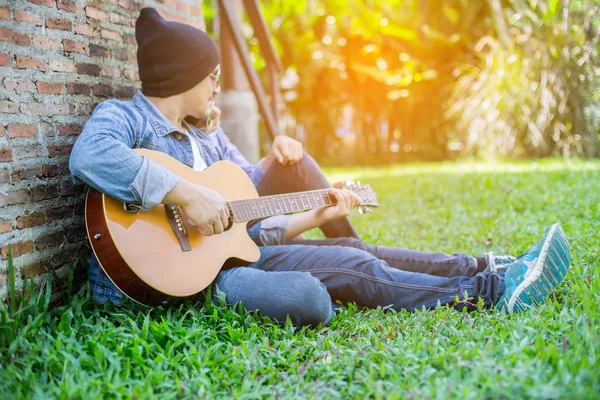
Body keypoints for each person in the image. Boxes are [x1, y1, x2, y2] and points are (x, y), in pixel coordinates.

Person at [69, 8, 571, 326]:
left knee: (350, 249)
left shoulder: (206, 132)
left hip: (228, 260)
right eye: (212, 77)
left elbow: (249, 233)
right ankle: (493, 291)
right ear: (185, 79)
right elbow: (89, 156)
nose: (217, 87)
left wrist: (317, 211)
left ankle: (488, 270)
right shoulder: (127, 116)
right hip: (181, 281)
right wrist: (185, 193)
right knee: (330, 283)